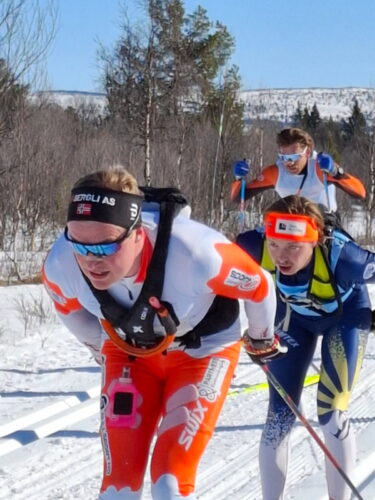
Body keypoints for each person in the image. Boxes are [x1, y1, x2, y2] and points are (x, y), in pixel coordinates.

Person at [42, 166, 277, 500]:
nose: (91, 260)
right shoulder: (61, 263)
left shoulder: (196, 254)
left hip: (203, 351)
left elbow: (260, 286)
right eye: (79, 244)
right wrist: (101, 349)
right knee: (118, 487)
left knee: (170, 482)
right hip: (130, 353)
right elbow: (70, 312)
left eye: (106, 247)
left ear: (137, 234)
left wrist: (261, 337)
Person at [236, 194, 373, 500]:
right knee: (278, 416)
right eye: (275, 244)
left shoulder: (343, 257)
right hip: (294, 319)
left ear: (314, 241)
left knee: (332, 409)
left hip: (346, 317)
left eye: (293, 247)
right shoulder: (255, 245)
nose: (281, 256)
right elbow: (205, 264)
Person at [231, 127, 366, 213]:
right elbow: (239, 197)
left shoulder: (320, 169)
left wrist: (336, 172)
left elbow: (360, 192)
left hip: (324, 223)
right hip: (292, 225)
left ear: (307, 153)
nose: (289, 162)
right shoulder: (275, 173)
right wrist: (238, 178)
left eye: (295, 156)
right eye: (284, 157)